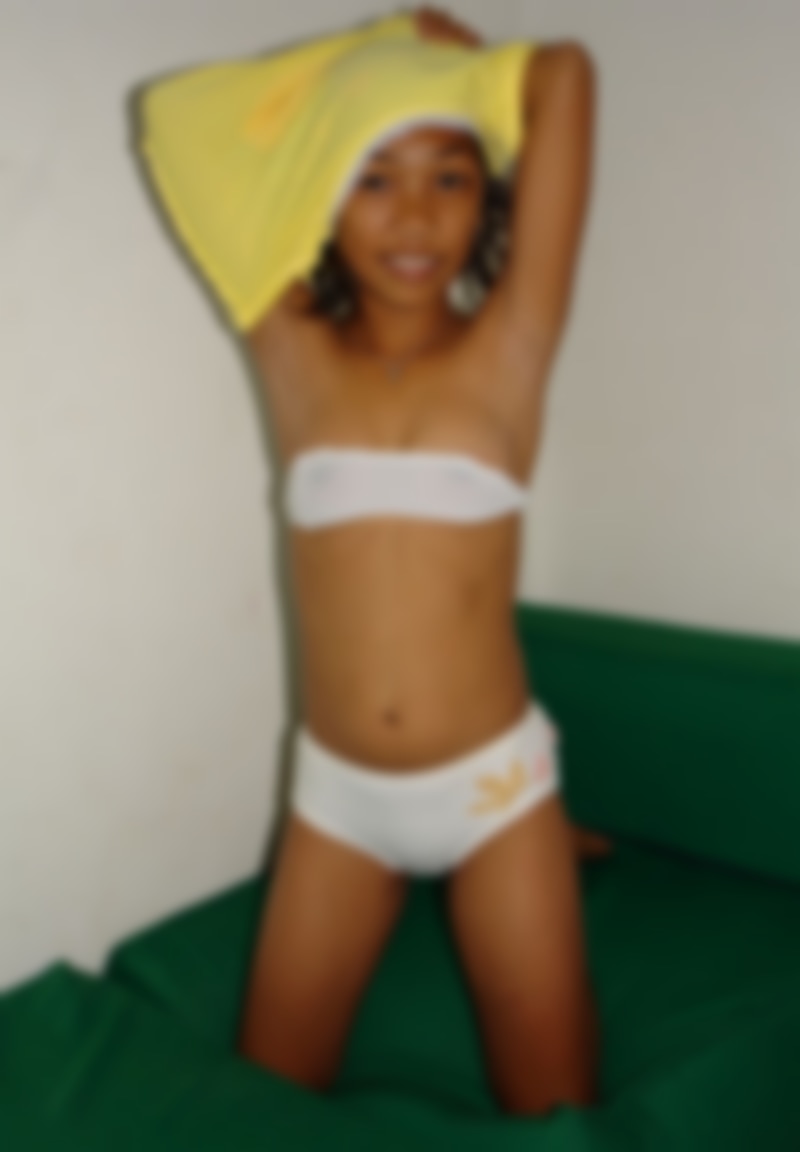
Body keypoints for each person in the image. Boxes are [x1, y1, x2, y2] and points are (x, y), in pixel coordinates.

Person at [235, 5, 606, 1117]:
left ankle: (561, 834)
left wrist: (446, 52)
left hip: (492, 793)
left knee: (556, 1119)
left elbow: (567, 76)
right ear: (324, 198)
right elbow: (189, 131)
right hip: (338, 801)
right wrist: (358, 64)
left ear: (487, 199)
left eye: (450, 177)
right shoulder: (290, 348)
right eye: (373, 177)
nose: (414, 217)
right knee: (256, 1108)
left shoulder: (512, 344)